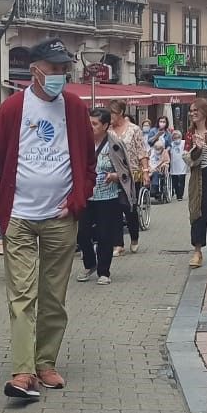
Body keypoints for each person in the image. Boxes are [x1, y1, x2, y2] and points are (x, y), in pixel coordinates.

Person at [0, 39, 94, 401]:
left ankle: (46, 362)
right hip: (20, 217)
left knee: (53, 296)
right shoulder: (13, 108)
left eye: (64, 69)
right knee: (22, 295)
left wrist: (77, 200)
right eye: (54, 68)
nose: (60, 75)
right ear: (35, 71)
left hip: (60, 217)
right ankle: (23, 370)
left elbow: (88, 164)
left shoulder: (74, 108)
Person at [77, 107, 127, 286]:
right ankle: (89, 263)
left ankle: (104, 271)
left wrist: (115, 176)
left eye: (95, 124)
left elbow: (125, 169)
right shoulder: (81, 143)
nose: (91, 127)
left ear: (105, 125)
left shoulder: (115, 144)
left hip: (107, 196)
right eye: (89, 123)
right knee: (82, 232)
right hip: (85, 195)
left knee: (105, 235)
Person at [107, 101, 148, 256]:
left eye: (114, 113)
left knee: (129, 208)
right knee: (114, 208)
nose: (111, 117)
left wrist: (145, 171)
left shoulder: (134, 129)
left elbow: (141, 151)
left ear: (121, 113)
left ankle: (134, 237)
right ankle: (118, 243)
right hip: (113, 174)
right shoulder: (108, 130)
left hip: (131, 174)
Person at [186, 97, 207, 270]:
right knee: (198, 213)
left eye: (195, 111)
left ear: (204, 112)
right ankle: (197, 251)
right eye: (191, 111)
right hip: (198, 176)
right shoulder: (190, 134)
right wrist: (196, 150)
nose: (192, 114)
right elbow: (186, 158)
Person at [168, 124, 188, 201]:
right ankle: (177, 193)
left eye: (178, 137)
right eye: (175, 138)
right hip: (174, 166)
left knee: (181, 181)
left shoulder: (184, 143)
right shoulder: (171, 144)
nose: (176, 139)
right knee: (175, 182)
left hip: (182, 165)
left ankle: (180, 195)